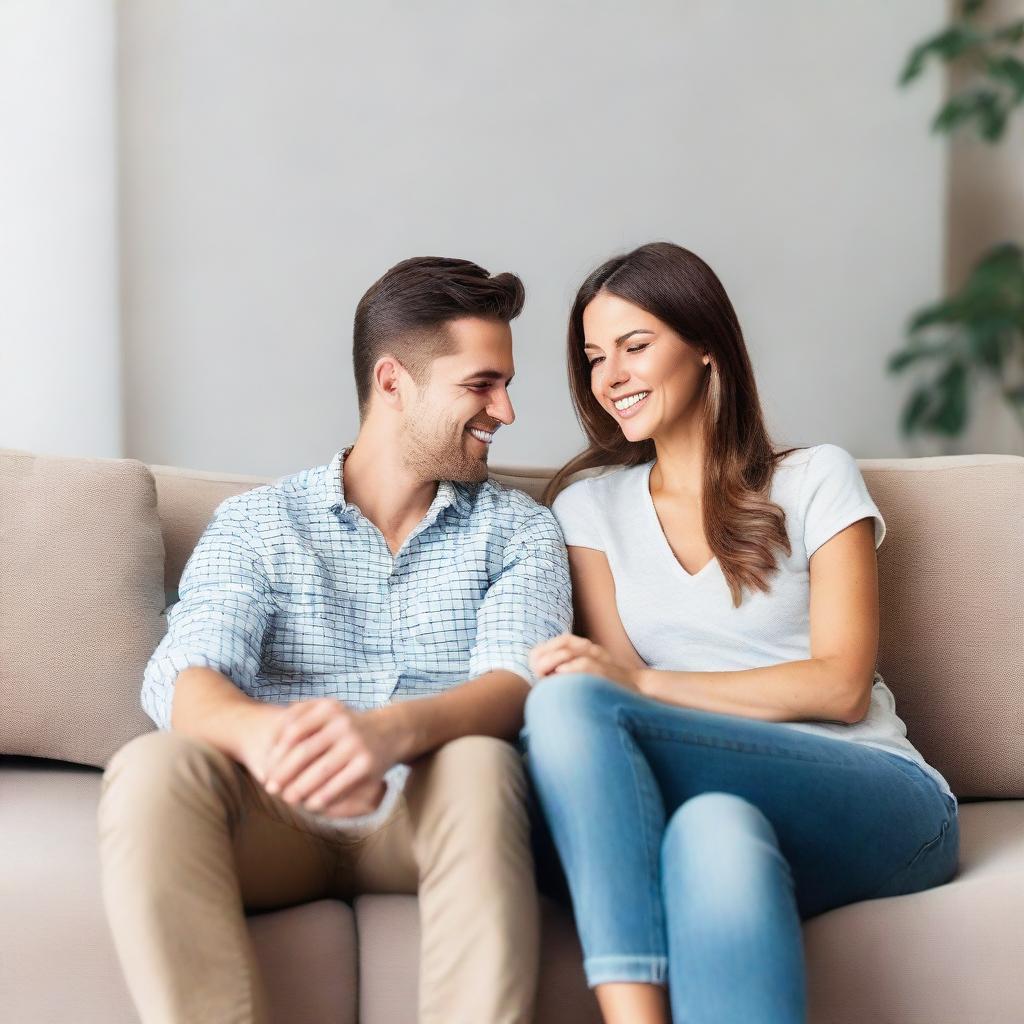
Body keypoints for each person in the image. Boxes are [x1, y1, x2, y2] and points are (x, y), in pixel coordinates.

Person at [97, 256, 572, 1024]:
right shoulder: (260, 522)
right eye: (482, 384)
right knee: (153, 765)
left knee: (483, 763)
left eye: (506, 385)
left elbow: (519, 684)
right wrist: (278, 740)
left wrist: (383, 736)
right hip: (276, 814)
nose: (506, 411)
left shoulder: (520, 530)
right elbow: (184, 672)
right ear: (393, 383)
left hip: (425, 811)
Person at [522, 242, 958, 1024]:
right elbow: (624, 725)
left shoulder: (815, 478)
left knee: (570, 706)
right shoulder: (588, 508)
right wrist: (627, 692)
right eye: (593, 357)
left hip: (877, 795)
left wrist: (646, 684)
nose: (610, 375)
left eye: (635, 345)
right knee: (711, 833)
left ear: (706, 348)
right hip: (708, 796)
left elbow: (841, 687)